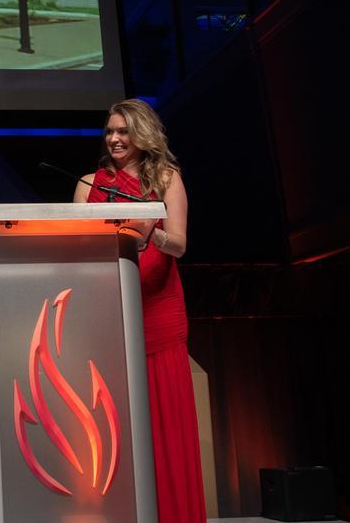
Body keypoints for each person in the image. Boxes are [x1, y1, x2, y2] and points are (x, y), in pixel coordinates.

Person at [73, 98, 203, 523]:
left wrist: (151, 231)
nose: (114, 138)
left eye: (123, 131)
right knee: (110, 431)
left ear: (142, 135)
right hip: (106, 317)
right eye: (110, 131)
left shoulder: (166, 178)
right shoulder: (88, 183)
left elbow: (180, 244)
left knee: (166, 428)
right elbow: (74, 250)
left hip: (157, 313)